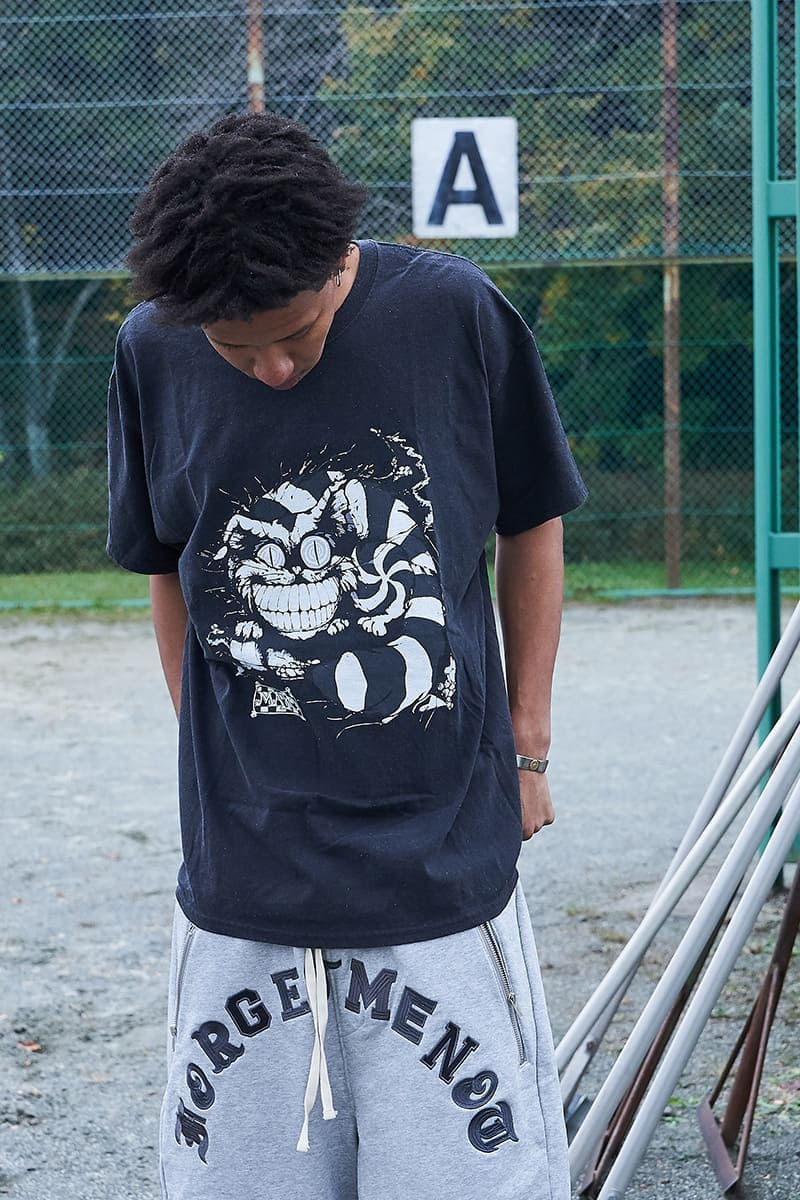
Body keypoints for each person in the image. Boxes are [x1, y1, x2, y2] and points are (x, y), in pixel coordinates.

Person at [107, 110, 586, 1200]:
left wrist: (526, 745)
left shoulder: (453, 312)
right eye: (237, 350)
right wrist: (211, 757)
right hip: (244, 879)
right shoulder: (152, 349)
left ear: (339, 264)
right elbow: (166, 566)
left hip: (439, 863)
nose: (272, 367)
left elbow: (533, 521)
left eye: (297, 333)